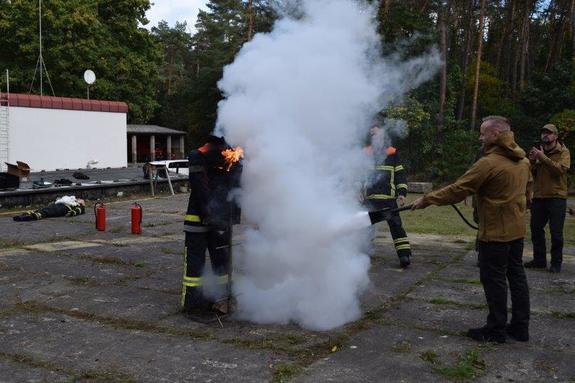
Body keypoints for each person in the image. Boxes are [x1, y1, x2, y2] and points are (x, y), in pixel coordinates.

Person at [411, 116, 532, 343]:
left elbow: (459, 189)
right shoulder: (523, 160)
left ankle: (495, 330)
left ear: (496, 135)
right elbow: (529, 190)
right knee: (516, 276)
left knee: (494, 279)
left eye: (483, 132)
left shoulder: (489, 163)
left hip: (495, 234)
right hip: (516, 231)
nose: (480, 136)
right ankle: (520, 327)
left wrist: (427, 199)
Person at [181, 135, 242, 317]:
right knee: (199, 266)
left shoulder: (226, 158)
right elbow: (200, 187)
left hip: (217, 219)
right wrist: (212, 214)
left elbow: (235, 186)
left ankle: (221, 300)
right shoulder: (201, 155)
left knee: (219, 263)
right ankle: (194, 303)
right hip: (203, 220)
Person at [524, 124, 571, 273]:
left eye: (549, 133)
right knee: (536, 229)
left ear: (556, 136)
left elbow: (559, 171)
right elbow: (530, 173)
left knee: (556, 232)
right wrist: (531, 161)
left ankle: (556, 263)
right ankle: (539, 260)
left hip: (557, 197)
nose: (546, 135)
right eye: (543, 132)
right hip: (539, 196)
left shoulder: (563, 152)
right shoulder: (539, 152)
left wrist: (542, 157)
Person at [363, 125, 412, 268]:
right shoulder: (365, 153)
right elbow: (358, 174)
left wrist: (402, 193)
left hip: (388, 200)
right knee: (366, 228)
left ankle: (404, 255)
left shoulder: (392, 154)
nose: (375, 138)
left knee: (396, 227)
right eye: (373, 135)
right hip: (369, 200)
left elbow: (400, 176)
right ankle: (363, 254)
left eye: (378, 134)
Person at [13, 196, 86, 221]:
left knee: (47, 212)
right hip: (59, 205)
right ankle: (24, 215)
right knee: (43, 209)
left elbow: (78, 211)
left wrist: (71, 213)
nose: (79, 199)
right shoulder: (72, 200)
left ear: (82, 203)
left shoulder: (80, 206)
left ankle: (29, 217)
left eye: (81, 200)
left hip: (64, 208)